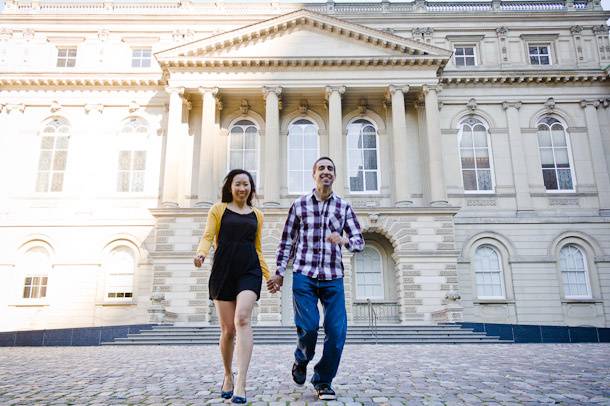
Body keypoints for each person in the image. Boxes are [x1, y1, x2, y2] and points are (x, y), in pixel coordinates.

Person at [267, 156, 364, 401]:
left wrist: (344, 241)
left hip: (333, 277)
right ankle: (301, 360)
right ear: (314, 174)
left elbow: (359, 241)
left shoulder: (343, 207)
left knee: (337, 332)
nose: (326, 172)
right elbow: (287, 241)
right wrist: (279, 272)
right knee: (309, 327)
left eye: (330, 168)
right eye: (321, 168)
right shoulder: (299, 205)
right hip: (304, 275)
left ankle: (322, 381)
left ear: (335, 175)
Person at [194, 169, 269, 404]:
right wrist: (201, 254)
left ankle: (242, 383)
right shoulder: (218, 209)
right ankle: (228, 375)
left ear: (251, 188)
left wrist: (268, 276)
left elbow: (257, 248)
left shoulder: (257, 215)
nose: (242, 188)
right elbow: (208, 236)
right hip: (223, 271)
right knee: (228, 330)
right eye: (237, 184)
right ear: (230, 187)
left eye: (246, 184)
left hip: (249, 270)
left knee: (243, 319)